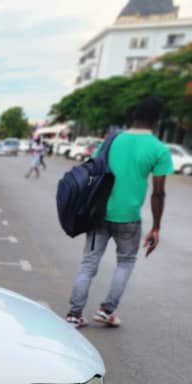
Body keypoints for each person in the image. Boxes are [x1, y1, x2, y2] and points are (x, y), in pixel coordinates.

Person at [65, 96, 173, 328]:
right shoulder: (159, 149)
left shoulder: (111, 141)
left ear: (133, 116)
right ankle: (106, 310)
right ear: (157, 120)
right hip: (129, 218)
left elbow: (94, 169)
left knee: (88, 264)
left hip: (99, 213)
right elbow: (158, 193)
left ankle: (74, 314)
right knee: (125, 262)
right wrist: (156, 227)